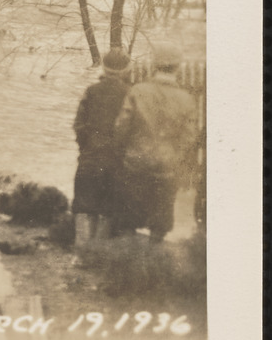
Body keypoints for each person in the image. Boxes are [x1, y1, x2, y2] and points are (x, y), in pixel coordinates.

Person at [112, 43, 199, 242]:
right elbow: (189, 138)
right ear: (177, 67)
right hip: (167, 166)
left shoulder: (138, 91)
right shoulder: (186, 99)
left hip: (136, 161)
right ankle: (154, 259)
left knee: (129, 217)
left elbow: (122, 127)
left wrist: (125, 151)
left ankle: (126, 260)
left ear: (154, 65)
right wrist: (175, 156)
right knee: (160, 221)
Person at [71, 49, 132, 248]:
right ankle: (98, 253)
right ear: (126, 70)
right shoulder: (130, 94)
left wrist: (85, 149)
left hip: (90, 157)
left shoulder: (91, 91)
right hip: (115, 161)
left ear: (104, 68)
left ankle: (81, 252)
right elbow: (131, 130)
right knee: (108, 207)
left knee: (83, 204)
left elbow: (79, 125)